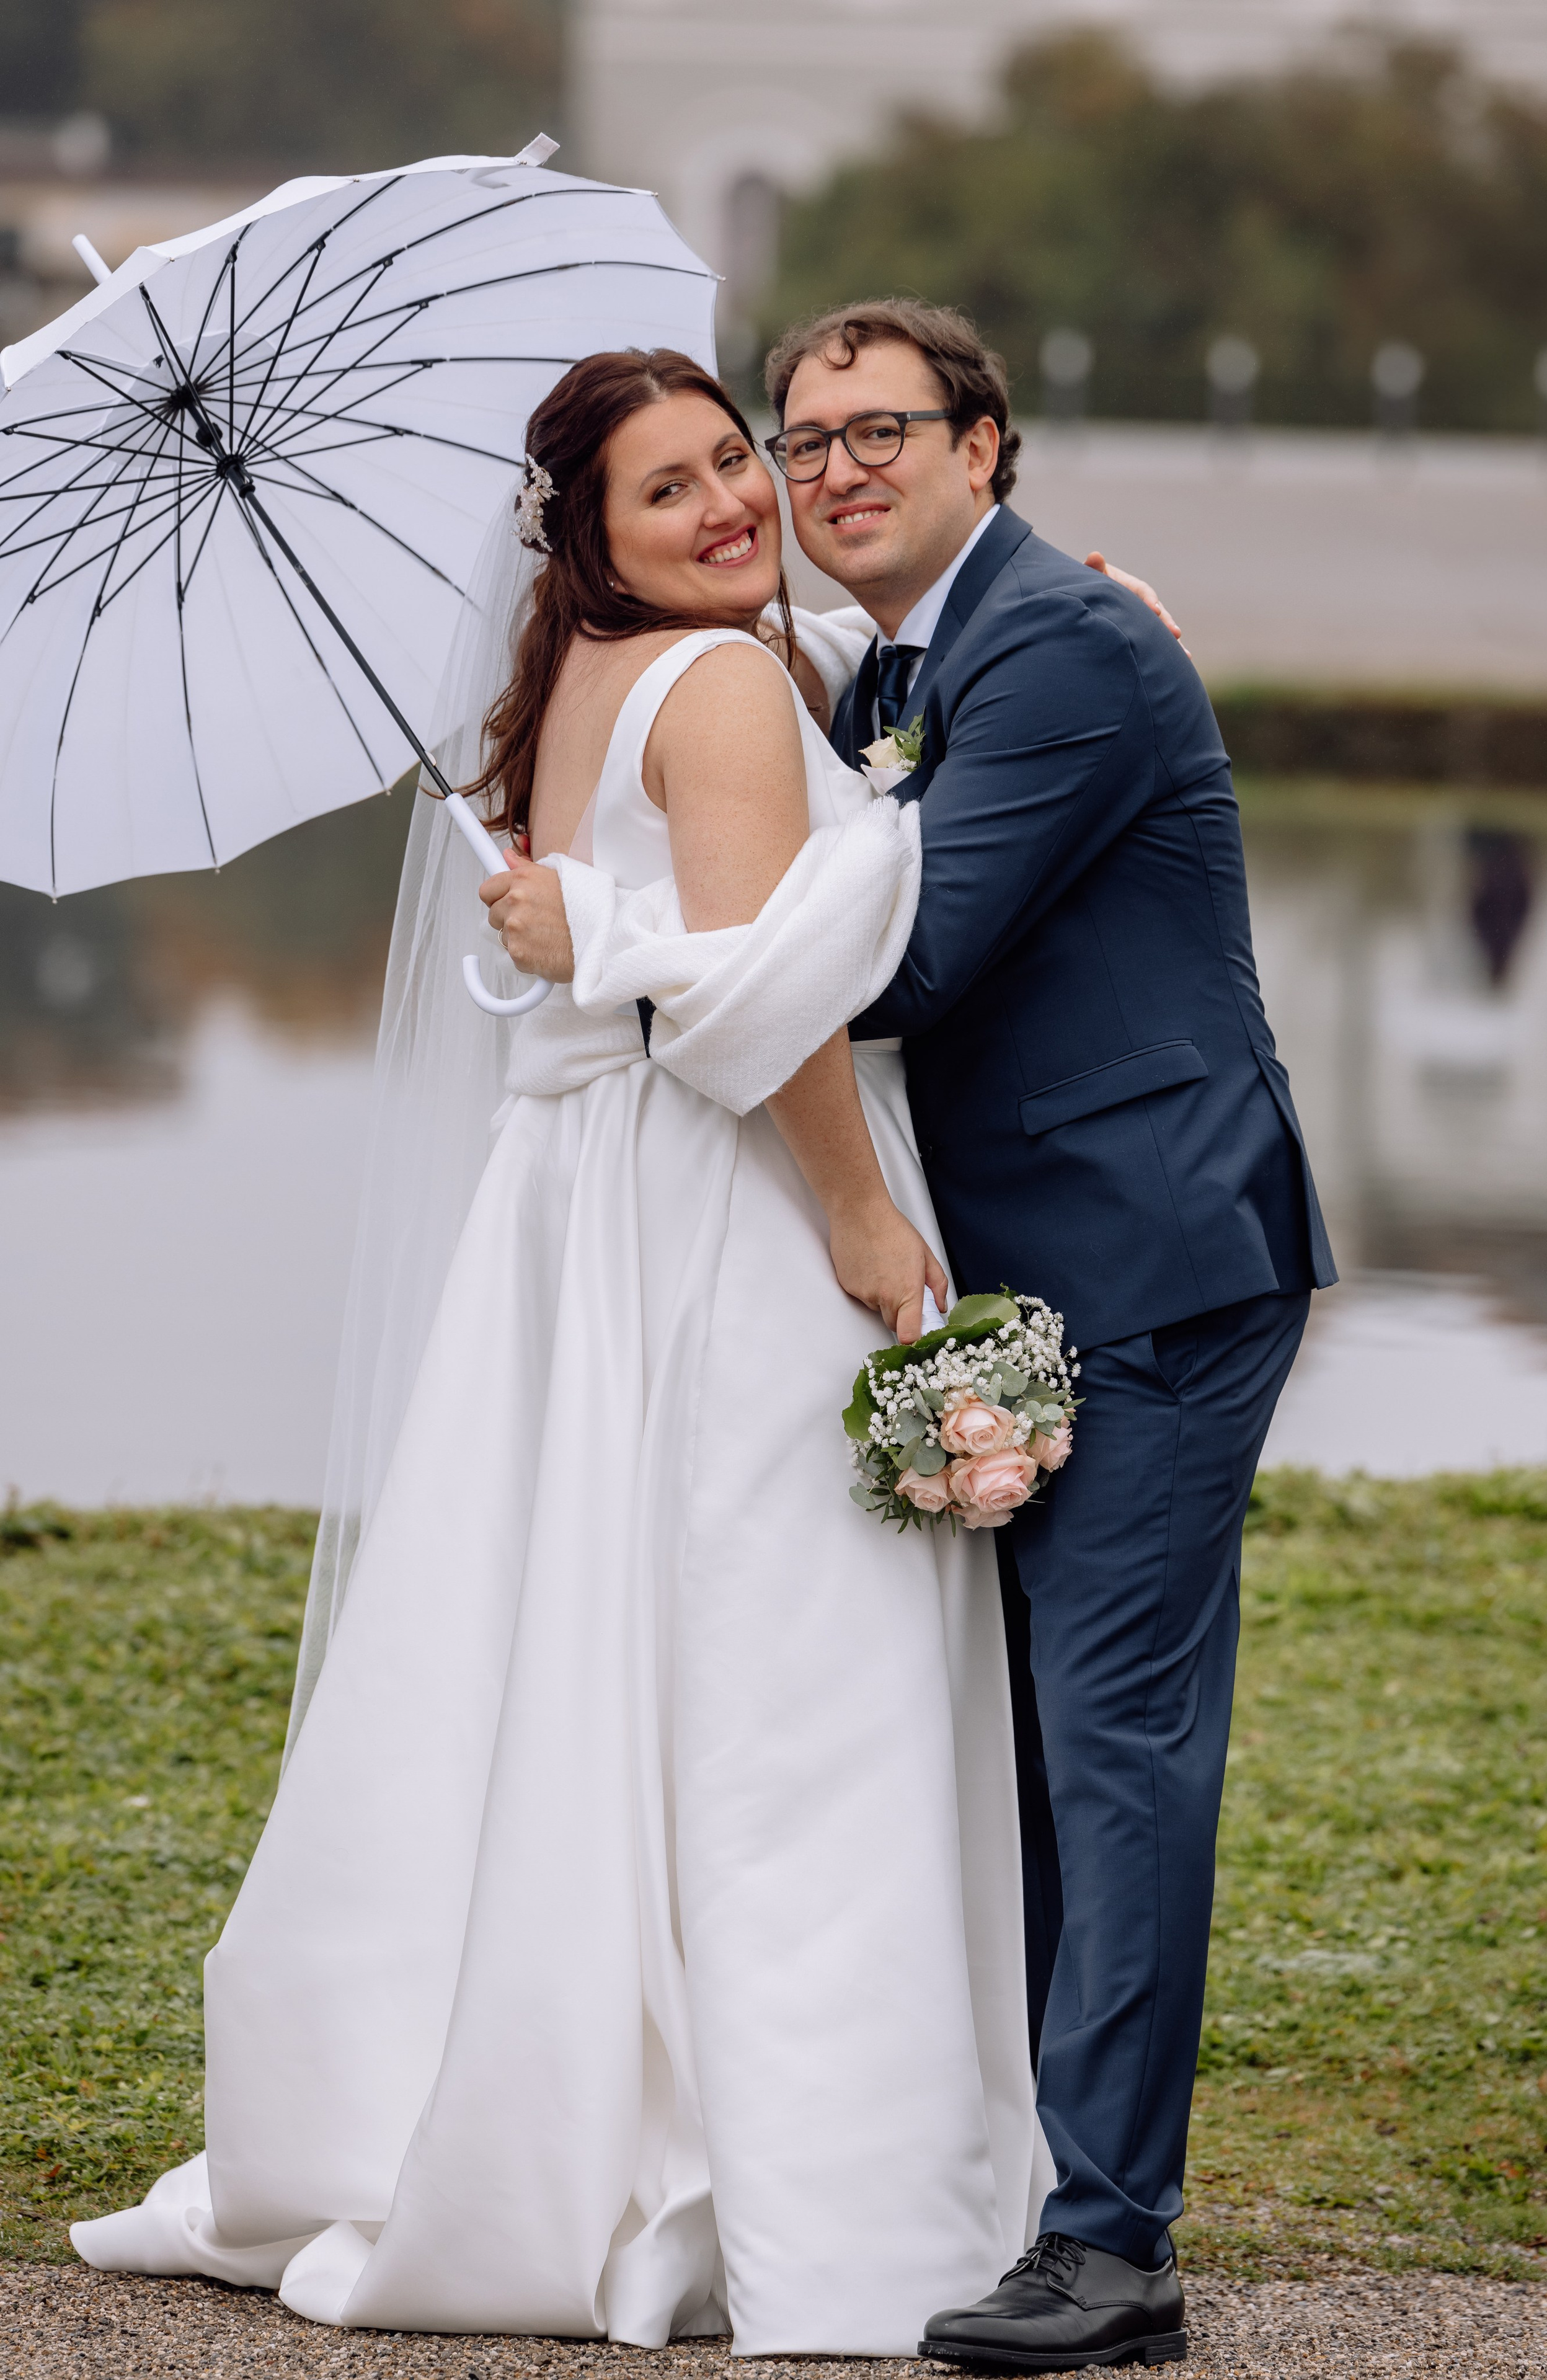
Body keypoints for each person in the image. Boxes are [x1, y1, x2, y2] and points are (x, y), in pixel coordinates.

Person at [70, 349, 1045, 2350]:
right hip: (727, 1207)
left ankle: (535, 2087)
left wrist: (598, 932)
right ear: (589, 537)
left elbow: (684, 902)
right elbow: (758, 1007)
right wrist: (862, 1214)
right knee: (784, 1664)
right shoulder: (723, 688)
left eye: (730, 462)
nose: (732, 505)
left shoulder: (582, 683)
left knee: (582, 1635)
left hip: (581, 1209)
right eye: (665, 491)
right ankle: (801, 2162)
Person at [499, 300, 1336, 2373]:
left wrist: (612, 929)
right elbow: (841, 835)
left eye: (879, 430)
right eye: (801, 441)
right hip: (1007, 1271)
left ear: (985, 446)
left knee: (1112, 1747)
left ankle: (1113, 2247)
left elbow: (900, 956)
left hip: (1148, 1257)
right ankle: (1039, 2178)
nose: (825, 471)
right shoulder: (897, 666)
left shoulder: (1063, 647)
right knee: (1032, 1748)